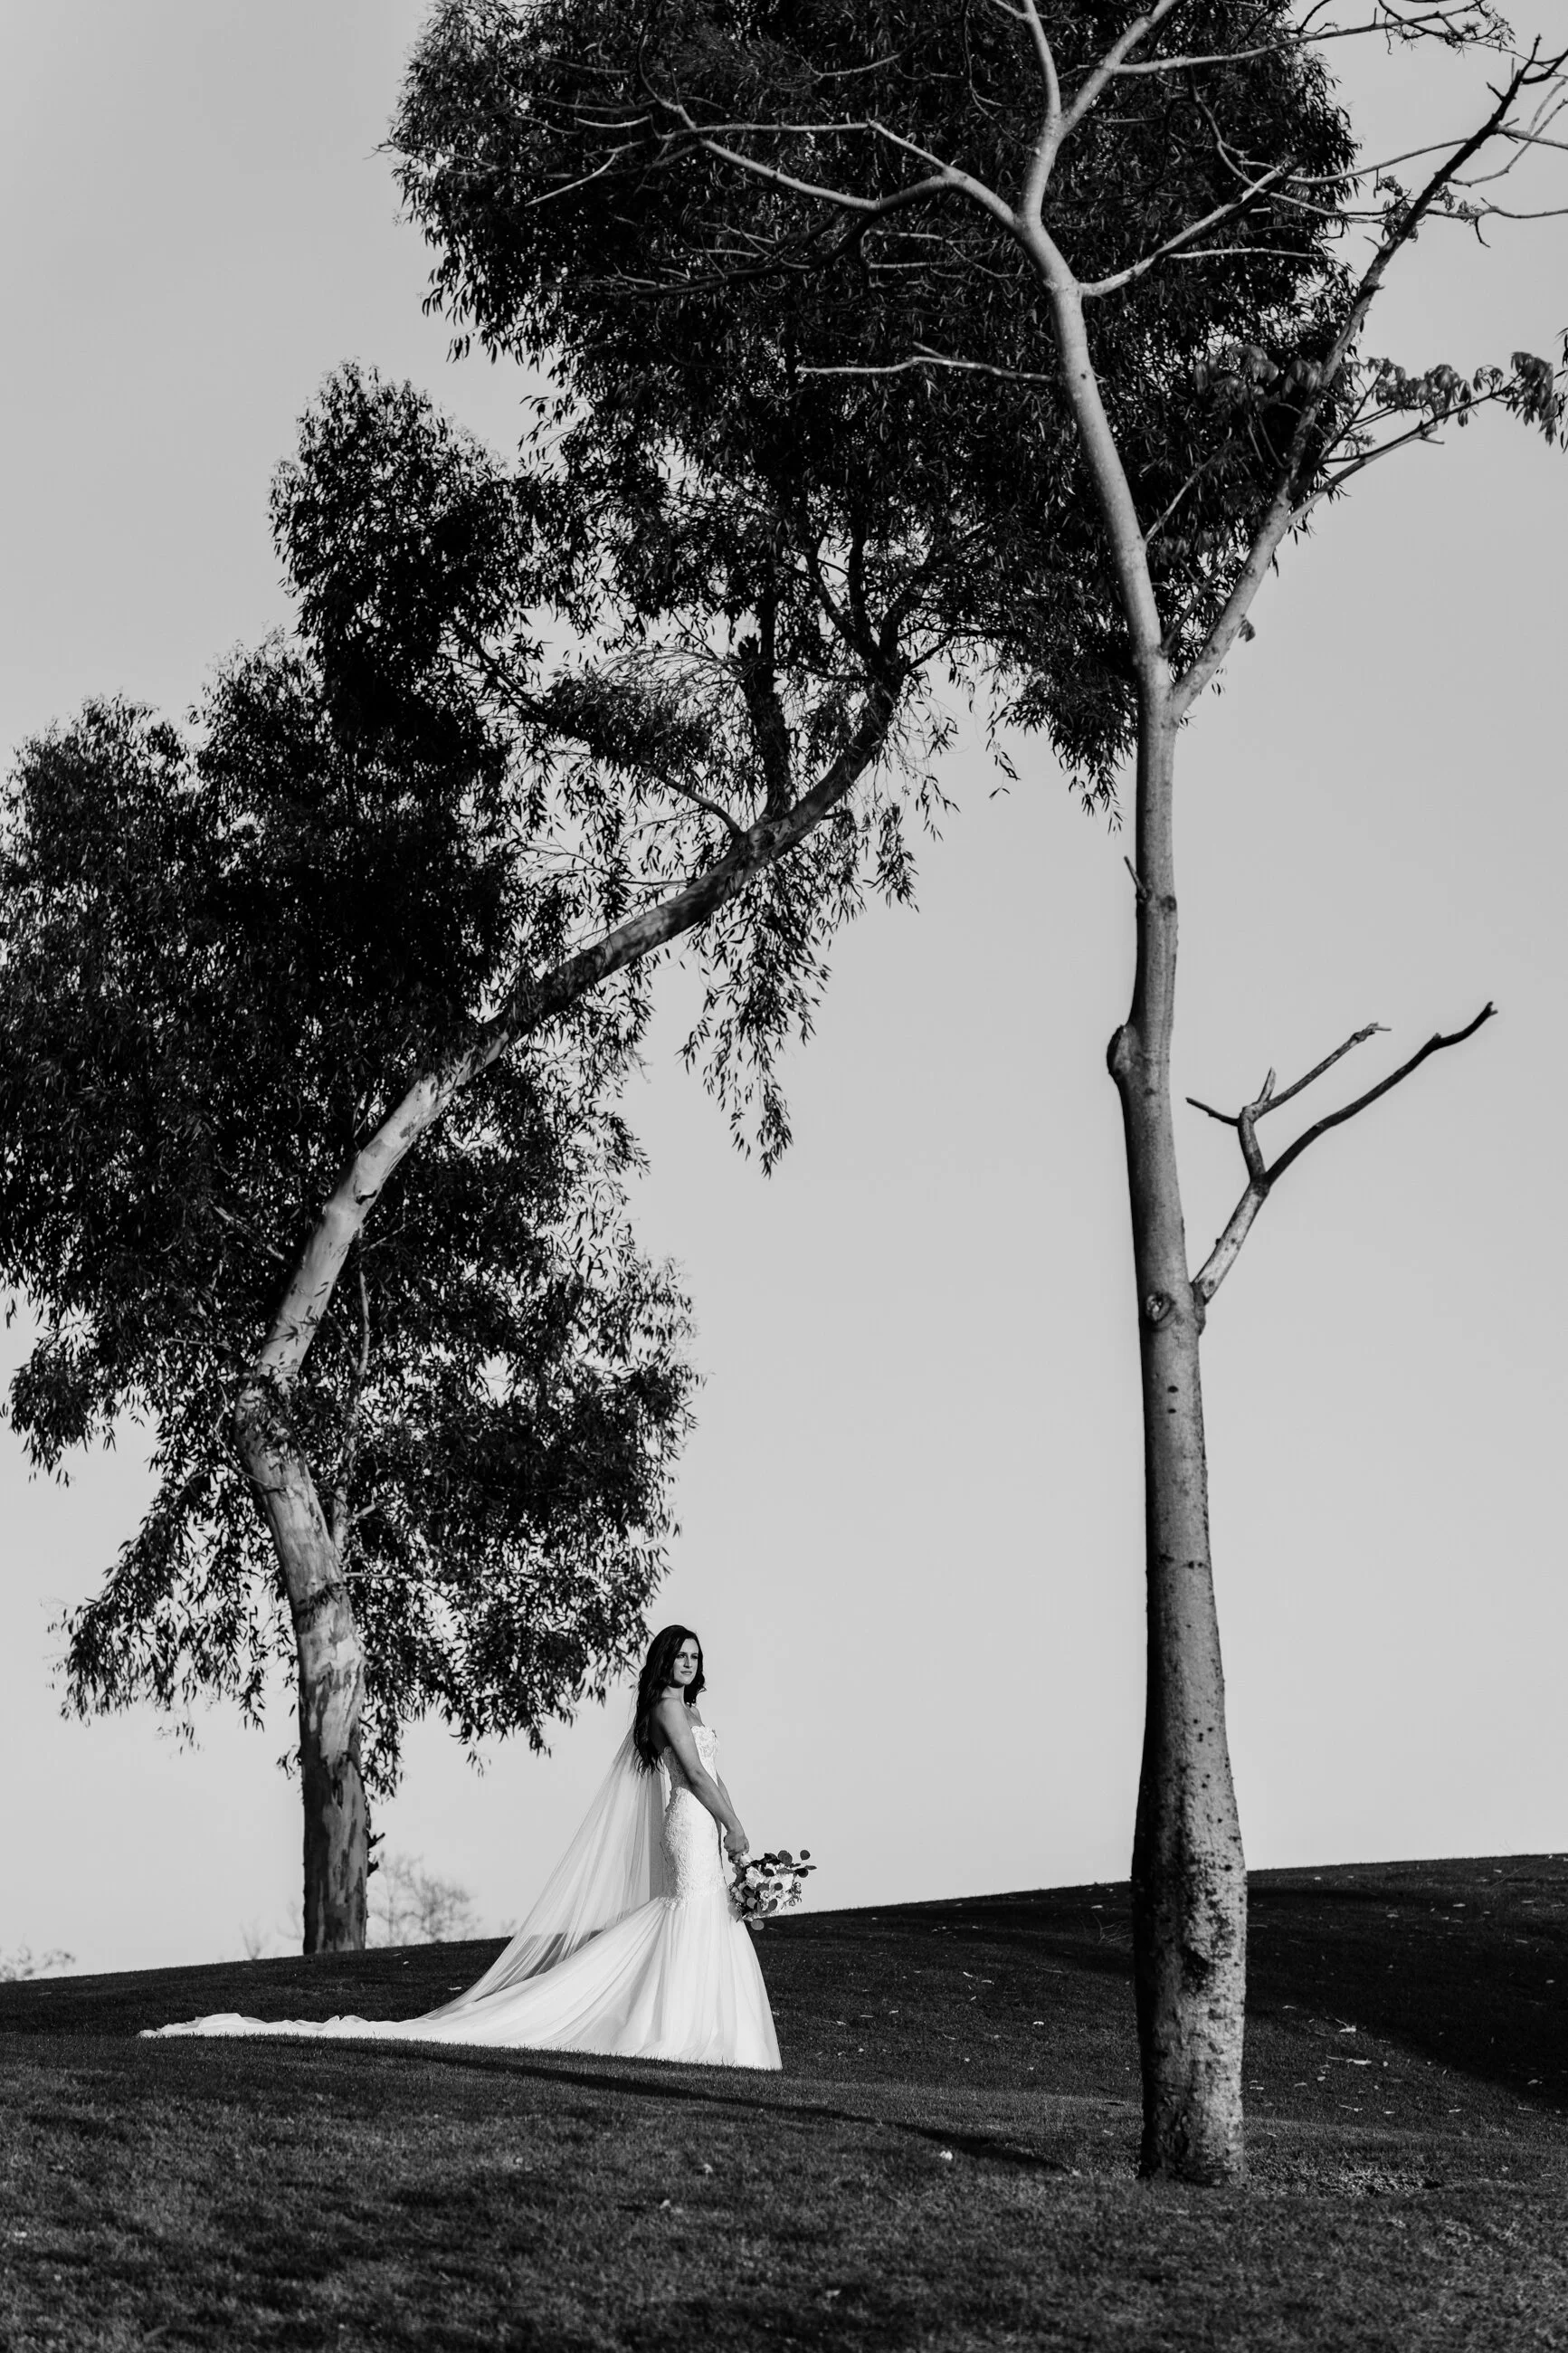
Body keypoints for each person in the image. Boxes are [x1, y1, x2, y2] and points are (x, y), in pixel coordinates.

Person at [144, 1625, 782, 2070]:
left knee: (705, 1913)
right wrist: (729, 1824)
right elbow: (692, 1776)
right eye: (680, 1655)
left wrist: (736, 1827)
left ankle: (710, 2031)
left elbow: (714, 1774)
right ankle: (675, 2028)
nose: (688, 1664)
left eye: (695, 1657)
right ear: (664, 1661)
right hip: (691, 1820)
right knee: (690, 1909)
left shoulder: (693, 1712)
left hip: (709, 1820)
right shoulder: (666, 1708)